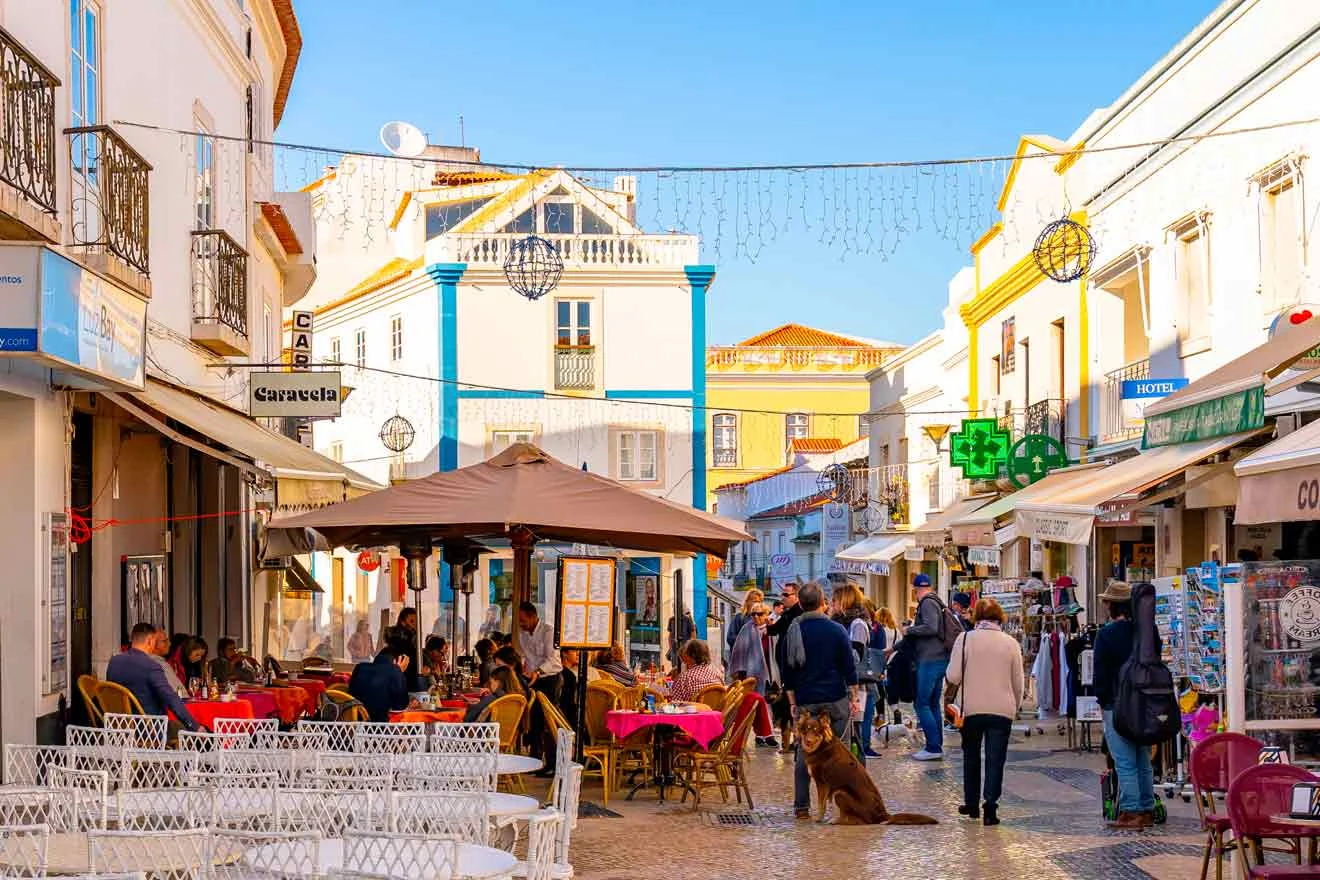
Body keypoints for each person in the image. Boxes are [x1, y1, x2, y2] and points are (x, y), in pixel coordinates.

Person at [779, 580, 860, 820]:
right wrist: (854, 696)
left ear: (801, 604)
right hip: (835, 699)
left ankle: (802, 806)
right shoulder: (837, 630)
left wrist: (793, 702)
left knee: (805, 754)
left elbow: (787, 672)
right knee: (840, 754)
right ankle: (841, 804)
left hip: (806, 701)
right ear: (823, 603)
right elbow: (849, 667)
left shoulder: (793, 631)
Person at [945, 598, 1024, 827]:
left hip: (971, 709)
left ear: (976, 617)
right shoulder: (1011, 643)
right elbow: (1018, 682)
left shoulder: (966, 638)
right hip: (1002, 710)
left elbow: (954, 676)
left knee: (971, 755)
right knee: (995, 759)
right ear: (1000, 617)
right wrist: (1014, 706)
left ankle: (971, 804)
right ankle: (990, 807)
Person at [1094, 581, 1157, 830]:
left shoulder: (1107, 634)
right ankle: (1147, 808)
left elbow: (1100, 674)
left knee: (1124, 759)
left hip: (1116, 704)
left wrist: (1102, 701)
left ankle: (1131, 811)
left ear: (1112, 606)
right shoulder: (1147, 631)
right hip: (1145, 704)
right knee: (1142, 758)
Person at [107, 623, 201, 734]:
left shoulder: (114, 662)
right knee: (186, 730)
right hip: (148, 729)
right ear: (150, 641)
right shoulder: (151, 666)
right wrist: (195, 727)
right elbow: (170, 698)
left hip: (118, 727)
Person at [904, 573, 954, 761]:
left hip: (930, 659)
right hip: (939, 659)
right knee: (932, 703)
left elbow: (931, 627)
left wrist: (910, 629)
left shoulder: (927, 603)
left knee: (921, 703)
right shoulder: (937, 601)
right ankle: (936, 744)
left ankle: (933, 747)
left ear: (916, 590)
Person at [517, 602, 563, 776]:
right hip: (534, 679)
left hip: (551, 678)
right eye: (520, 621)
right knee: (534, 720)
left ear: (533, 616)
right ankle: (534, 760)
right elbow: (527, 657)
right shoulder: (523, 635)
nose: (521, 624)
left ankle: (552, 763)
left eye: (523, 620)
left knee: (549, 721)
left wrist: (537, 671)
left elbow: (553, 659)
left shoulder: (548, 632)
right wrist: (526, 670)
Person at [348, 648, 419, 723]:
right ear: (397, 660)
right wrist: (399, 671)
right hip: (381, 727)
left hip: (355, 724)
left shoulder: (359, 668)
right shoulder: (396, 672)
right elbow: (400, 707)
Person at [727, 602, 771, 694]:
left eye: (759, 614)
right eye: (753, 614)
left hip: (769, 671)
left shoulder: (772, 629)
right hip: (747, 672)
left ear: (766, 614)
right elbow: (738, 652)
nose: (756, 616)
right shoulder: (746, 629)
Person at [385, 608, 421, 691]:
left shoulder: (413, 642)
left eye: (416, 622)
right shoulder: (401, 645)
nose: (414, 625)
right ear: (403, 622)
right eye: (412, 621)